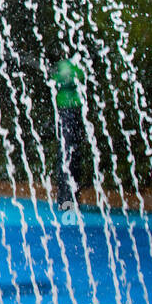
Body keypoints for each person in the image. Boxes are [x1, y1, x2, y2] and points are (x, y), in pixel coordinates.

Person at [51, 56, 86, 208]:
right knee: (66, 153)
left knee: (71, 153)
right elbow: (55, 81)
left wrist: (64, 77)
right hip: (64, 111)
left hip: (73, 110)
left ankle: (70, 197)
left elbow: (79, 77)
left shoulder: (76, 65)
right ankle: (65, 197)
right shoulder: (61, 65)